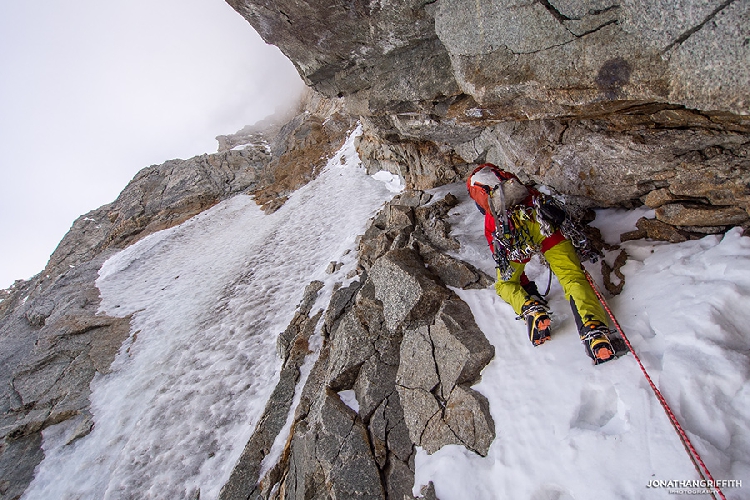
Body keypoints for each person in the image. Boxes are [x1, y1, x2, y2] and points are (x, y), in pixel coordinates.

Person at [467, 163, 615, 364]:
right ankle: (594, 331)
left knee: (505, 284)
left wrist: (528, 288)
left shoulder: (490, 217)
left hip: (510, 232)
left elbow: (503, 261)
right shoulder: (516, 185)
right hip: (540, 218)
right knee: (572, 276)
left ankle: (531, 308)